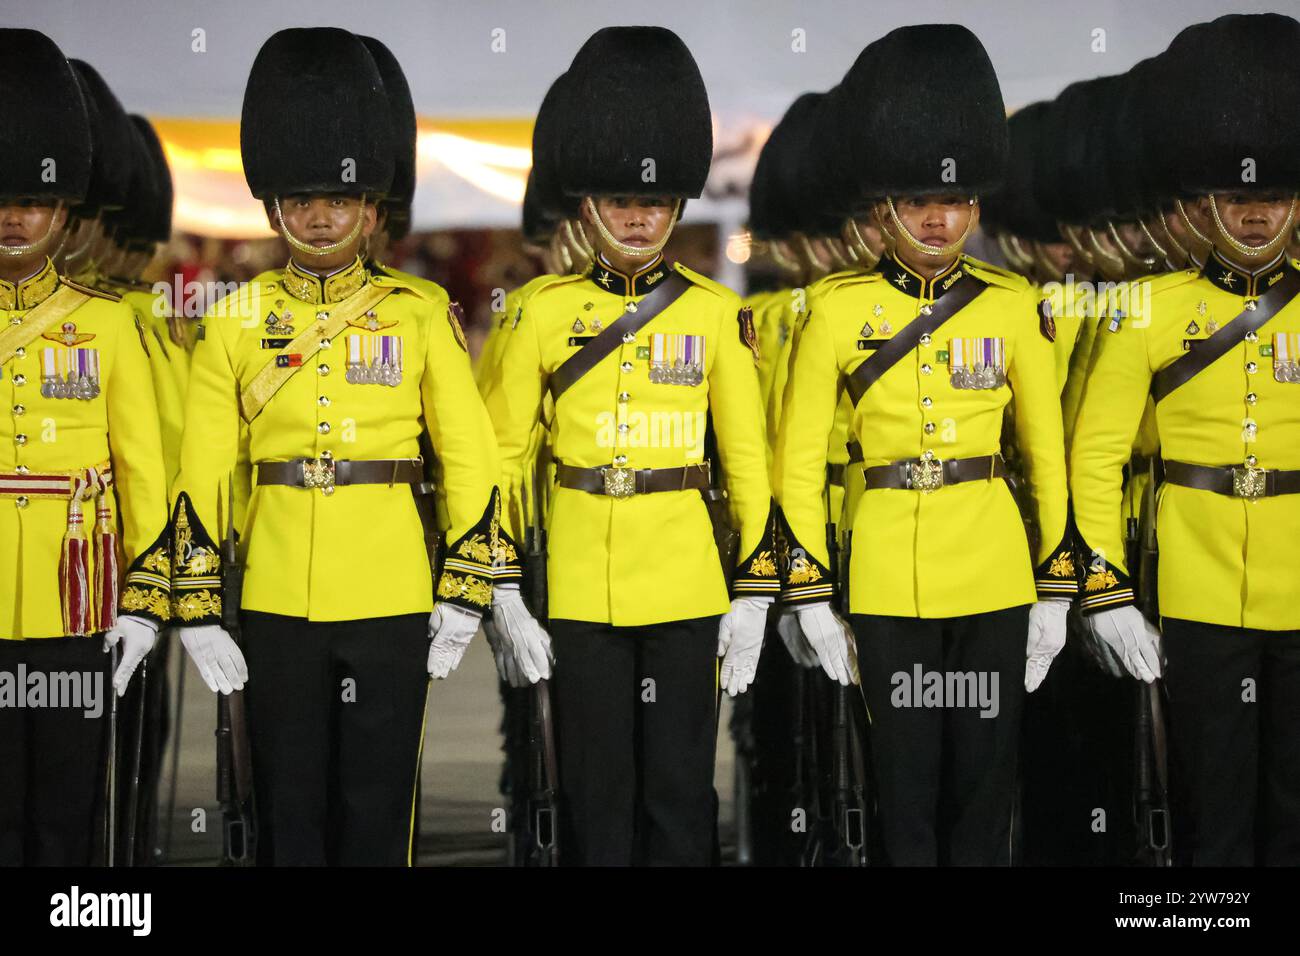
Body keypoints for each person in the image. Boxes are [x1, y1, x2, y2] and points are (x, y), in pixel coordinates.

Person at [170, 27, 527, 866]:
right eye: (300, 198)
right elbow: (204, 469)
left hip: (392, 587)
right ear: (271, 208)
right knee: (286, 806)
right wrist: (191, 606)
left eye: (339, 198)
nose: (321, 214)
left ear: (372, 208)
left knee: (376, 805)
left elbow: (468, 457)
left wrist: (471, 584)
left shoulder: (418, 311)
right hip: (275, 589)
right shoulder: (233, 319)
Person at [774, 24, 1073, 866]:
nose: (940, 218)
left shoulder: (1014, 305)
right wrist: (806, 589)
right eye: (918, 201)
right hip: (885, 574)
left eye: (957, 202)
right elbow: (799, 463)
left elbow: (1045, 456)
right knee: (900, 789)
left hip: (993, 571)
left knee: (984, 787)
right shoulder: (834, 308)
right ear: (883, 209)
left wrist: (1056, 584)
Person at [483, 26, 776, 866]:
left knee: (682, 795)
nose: (639, 216)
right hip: (577, 582)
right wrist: (500, 585)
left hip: (687, 584)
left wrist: (756, 589)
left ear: (680, 204)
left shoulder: (718, 314)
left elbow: (746, 465)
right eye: (619, 201)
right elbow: (502, 459)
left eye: (653, 203)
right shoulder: (538, 311)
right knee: (593, 796)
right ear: (587, 205)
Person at [1070, 12, 1300, 865]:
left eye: (1271, 195)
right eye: (1237, 197)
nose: (1253, 213)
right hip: (1197, 590)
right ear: (1204, 199)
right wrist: (1105, 587)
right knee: (1212, 813)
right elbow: (1094, 456)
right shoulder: (1148, 309)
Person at [0, 28, 169, 866]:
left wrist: (144, 599)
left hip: (77, 605)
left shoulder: (106, 325)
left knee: (68, 813)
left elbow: (143, 473)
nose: (13, 215)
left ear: (63, 212)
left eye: (31, 200)